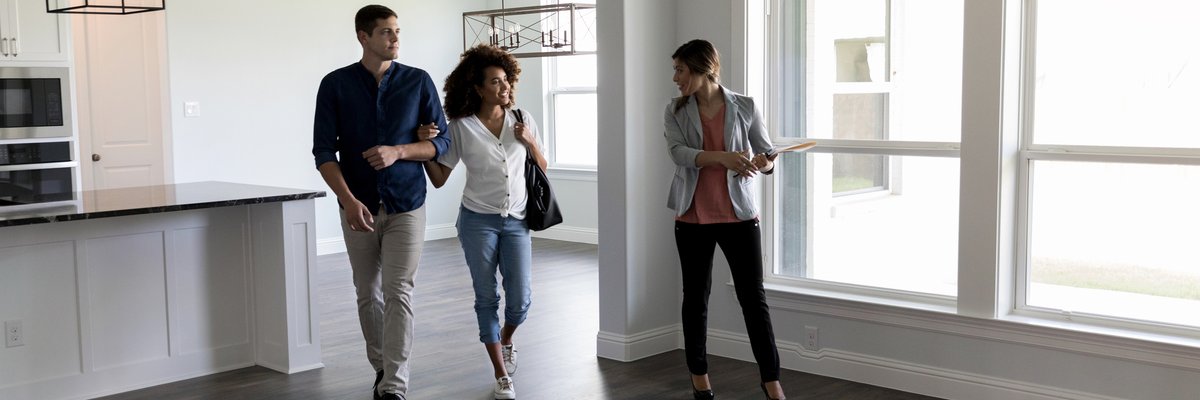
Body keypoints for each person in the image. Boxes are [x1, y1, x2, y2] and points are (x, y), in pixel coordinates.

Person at [311, 5, 449, 400]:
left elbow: (441, 143)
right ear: (363, 37)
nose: (395, 39)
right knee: (366, 292)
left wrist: (399, 151)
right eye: (387, 32)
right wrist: (349, 202)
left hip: (407, 204)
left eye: (397, 31)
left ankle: (394, 385)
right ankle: (382, 366)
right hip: (359, 208)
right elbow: (323, 153)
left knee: (399, 290)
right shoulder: (335, 85)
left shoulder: (418, 81)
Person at [663, 39, 788, 400]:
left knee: (754, 299)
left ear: (703, 69)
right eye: (675, 70)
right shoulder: (674, 110)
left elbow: (767, 155)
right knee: (695, 299)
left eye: (680, 70)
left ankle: (771, 381)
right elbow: (678, 154)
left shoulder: (745, 106)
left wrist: (762, 163)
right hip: (692, 216)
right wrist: (723, 158)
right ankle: (700, 378)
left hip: (739, 216)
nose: (675, 78)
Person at [422, 44, 543, 400]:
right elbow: (440, 177)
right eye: (495, 82)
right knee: (486, 297)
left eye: (506, 80)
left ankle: (506, 339)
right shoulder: (460, 126)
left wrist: (530, 139)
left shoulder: (522, 117)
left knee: (520, 301)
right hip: (477, 221)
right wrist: (424, 149)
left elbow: (543, 166)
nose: (504, 88)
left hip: (517, 220)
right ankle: (501, 375)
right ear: (476, 87)